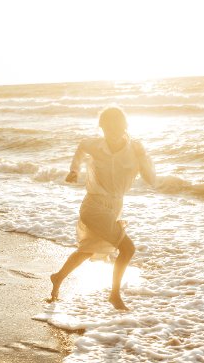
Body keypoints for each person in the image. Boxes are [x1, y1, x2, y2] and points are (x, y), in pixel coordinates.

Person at [49, 107, 156, 310]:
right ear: (102, 128)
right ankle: (114, 295)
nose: (113, 132)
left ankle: (58, 277)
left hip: (114, 207)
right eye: (108, 128)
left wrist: (143, 157)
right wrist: (74, 170)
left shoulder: (135, 149)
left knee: (88, 250)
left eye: (117, 127)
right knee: (127, 249)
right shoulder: (95, 145)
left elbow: (151, 180)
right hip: (93, 206)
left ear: (125, 126)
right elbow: (81, 146)